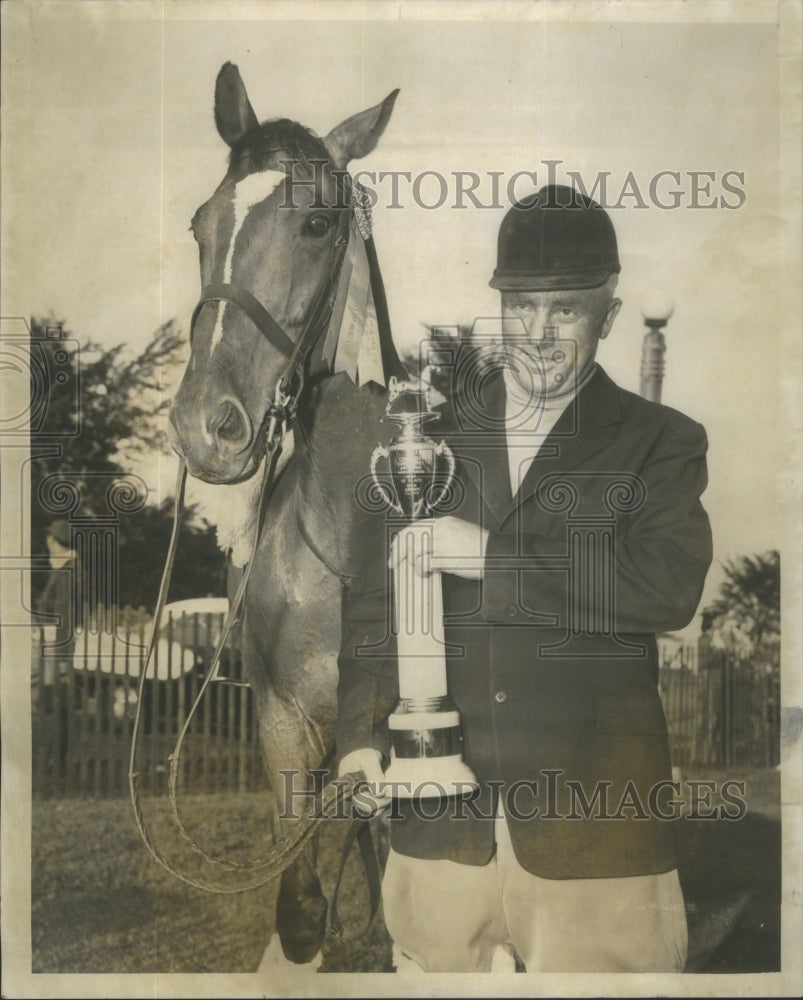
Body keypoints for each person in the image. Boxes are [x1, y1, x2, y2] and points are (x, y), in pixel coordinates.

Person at [336, 184, 712, 973]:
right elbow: (374, 605)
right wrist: (357, 742)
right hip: (441, 826)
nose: (538, 334)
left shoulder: (658, 442)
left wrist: (490, 558)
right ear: (498, 306)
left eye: (565, 311)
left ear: (607, 316)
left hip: (598, 838)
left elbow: (665, 586)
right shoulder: (425, 440)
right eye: (521, 307)